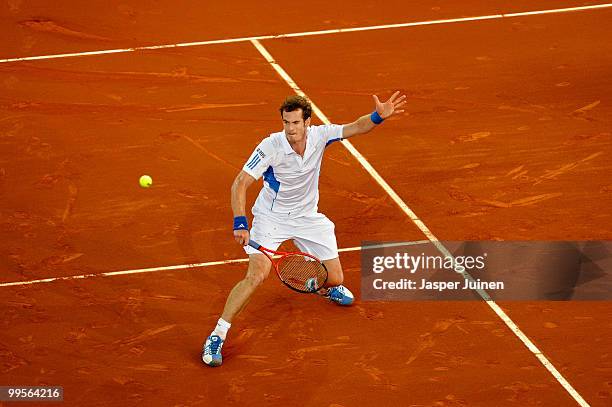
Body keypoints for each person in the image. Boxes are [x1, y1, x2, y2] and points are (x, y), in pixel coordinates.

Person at [202, 91, 407, 366]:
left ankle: (325, 289)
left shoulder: (321, 136)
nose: (290, 129)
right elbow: (239, 183)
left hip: (308, 218)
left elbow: (356, 127)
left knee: (335, 278)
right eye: (286, 123)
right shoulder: (270, 146)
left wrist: (378, 117)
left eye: (296, 123)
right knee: (256, 275)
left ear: (307, 122)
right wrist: (240, 222)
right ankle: (217, 334)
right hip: (271, 218)